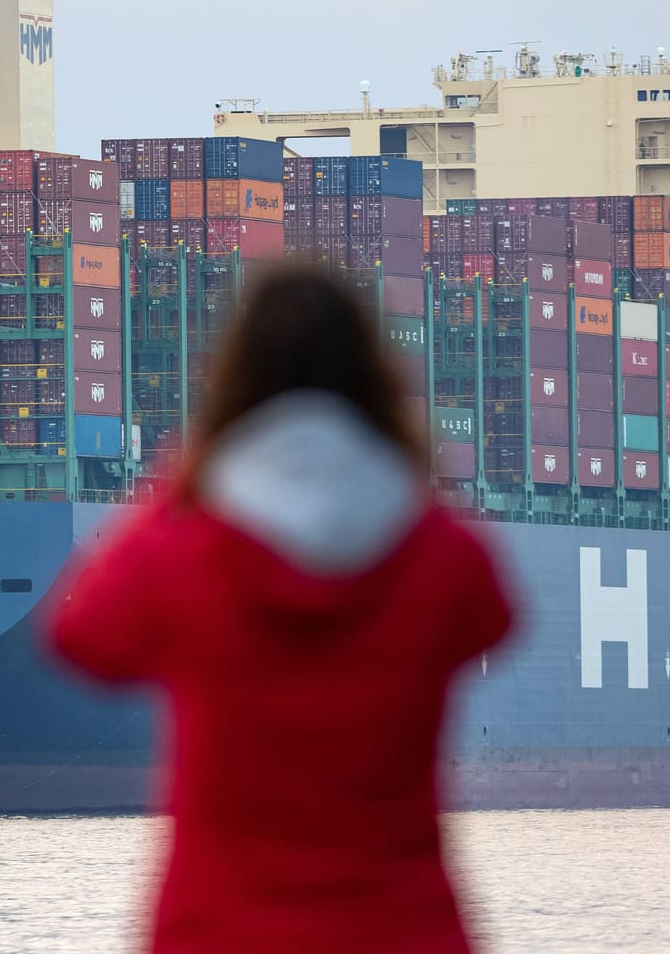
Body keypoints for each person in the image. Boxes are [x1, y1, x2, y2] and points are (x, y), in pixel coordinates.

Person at [47, 262, 513, 953]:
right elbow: (495, 618)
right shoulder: (439, 552)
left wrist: (192, 471)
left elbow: (81, 635)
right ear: (372, 375)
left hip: (218, 932)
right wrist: (399, 464)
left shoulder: (184, 552)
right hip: (403, 931)